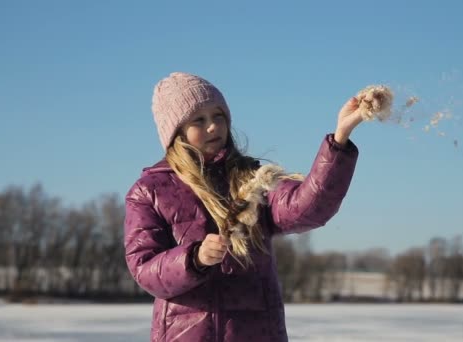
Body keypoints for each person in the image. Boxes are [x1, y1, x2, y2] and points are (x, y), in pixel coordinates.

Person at [123, 72, 362, 341]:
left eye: (218, 116)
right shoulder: (150, 191)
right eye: (199, 120)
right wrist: (194, 258)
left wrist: (340, 139)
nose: (213, 126)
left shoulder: (253, 179)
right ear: (176, 132)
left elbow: (309, 207)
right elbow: (144, 268)